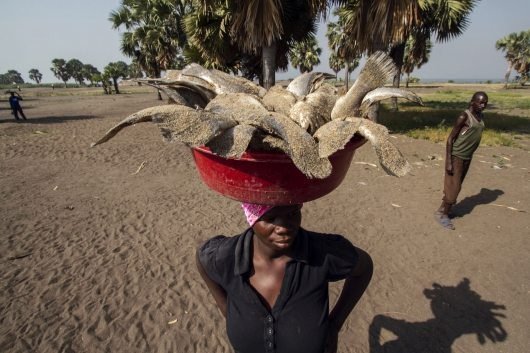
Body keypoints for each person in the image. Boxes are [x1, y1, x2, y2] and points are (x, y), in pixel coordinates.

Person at [196, 203, 373, 353]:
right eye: (271, 218)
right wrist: (227, 309)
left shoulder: (322, 254)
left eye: (292, 213)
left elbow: (364, 267)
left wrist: (334, 325)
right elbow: (201, 258)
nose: (284, 228)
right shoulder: (226, 257)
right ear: (252, 217)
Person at [435, 91, 489, 230]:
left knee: (455, 185)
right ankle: (444, 216)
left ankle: (443, 208)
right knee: (454, 187)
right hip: (456, 156)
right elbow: (450, 138)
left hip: (467, 157)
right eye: (480, 102)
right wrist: (448, 161)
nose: (483, 105)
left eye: (485, 103)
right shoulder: (464, 116)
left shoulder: (480, 116)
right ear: (473, 102)